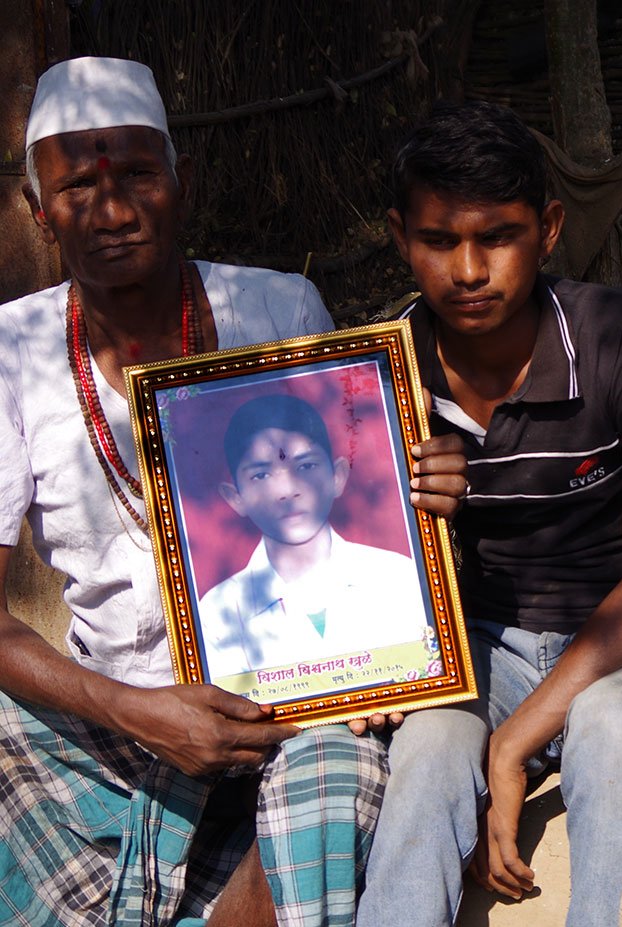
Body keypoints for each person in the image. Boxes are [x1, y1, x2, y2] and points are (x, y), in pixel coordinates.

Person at [0, 57, 465, 927]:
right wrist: (140, 712)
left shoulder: (278, 307)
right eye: (77, 187)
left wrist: (419, 489)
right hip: (118, 717)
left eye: (139, 173)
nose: (113, 208)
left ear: (183, 181)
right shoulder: (9, 350)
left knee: (337, 773)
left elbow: (368, 501)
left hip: (292, 709)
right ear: (40, 212)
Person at [355, 100, 622, 927]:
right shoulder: (374, 375)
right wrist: (403, 516)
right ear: (401, 236)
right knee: (431, 749)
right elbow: (355, 576)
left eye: (497, 236)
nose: (469, 270)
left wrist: (512, 746)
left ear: (547, 230)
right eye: (439, 241)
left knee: (614, 733)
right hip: (481, 649)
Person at [199, 394, 428, 680]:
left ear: (338, 476)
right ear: (235, 498)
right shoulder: (218, 610)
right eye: (261, 475)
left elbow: (423, 673)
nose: (286, 489)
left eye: (305, 466)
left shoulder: (397, 576)